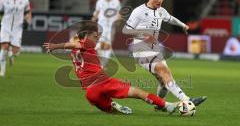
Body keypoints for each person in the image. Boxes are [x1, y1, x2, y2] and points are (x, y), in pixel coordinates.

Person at [43, 21, 180, 114]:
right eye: (96, 35)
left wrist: (73, 40)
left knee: (111, 112)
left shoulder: (76, 48)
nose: (97, 38)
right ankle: (168, 106)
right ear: (89, 35)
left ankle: (113, 106)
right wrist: (56, 46)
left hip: (90, 93)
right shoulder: (86, 44)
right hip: (104, 83)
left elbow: (73, 43)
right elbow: (74, 44)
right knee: (139, 93)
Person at [122, 0, 206, 107]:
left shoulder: (161, 11)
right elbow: (126, 30)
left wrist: (183, 25)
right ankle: (187, 100)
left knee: (164, 82)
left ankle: (160, 105)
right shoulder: (139, 11)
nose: (159, 1)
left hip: (154, 49)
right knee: (164, 71)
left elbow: (170, 18)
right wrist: (142, 33)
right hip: (140, 49)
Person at [0, 0, 32, 77]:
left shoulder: (25, 1)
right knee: (4, 47)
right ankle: (2, 71)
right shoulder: (3, 0)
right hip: (5, 26)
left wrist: (28, 21)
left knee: (16, 51)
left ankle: (11, 54)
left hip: (18, 28)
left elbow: (28, 12)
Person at [92, 0, 121, 66]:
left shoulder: (116, 2)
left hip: (111, 27)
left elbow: (119, 13)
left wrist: (118, 20)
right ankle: (93, 53)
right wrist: (92, 21)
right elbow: (97, 12)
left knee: (108, 46)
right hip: (101, 26)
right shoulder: (99, 1)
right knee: (100, 44)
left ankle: (102, 65)